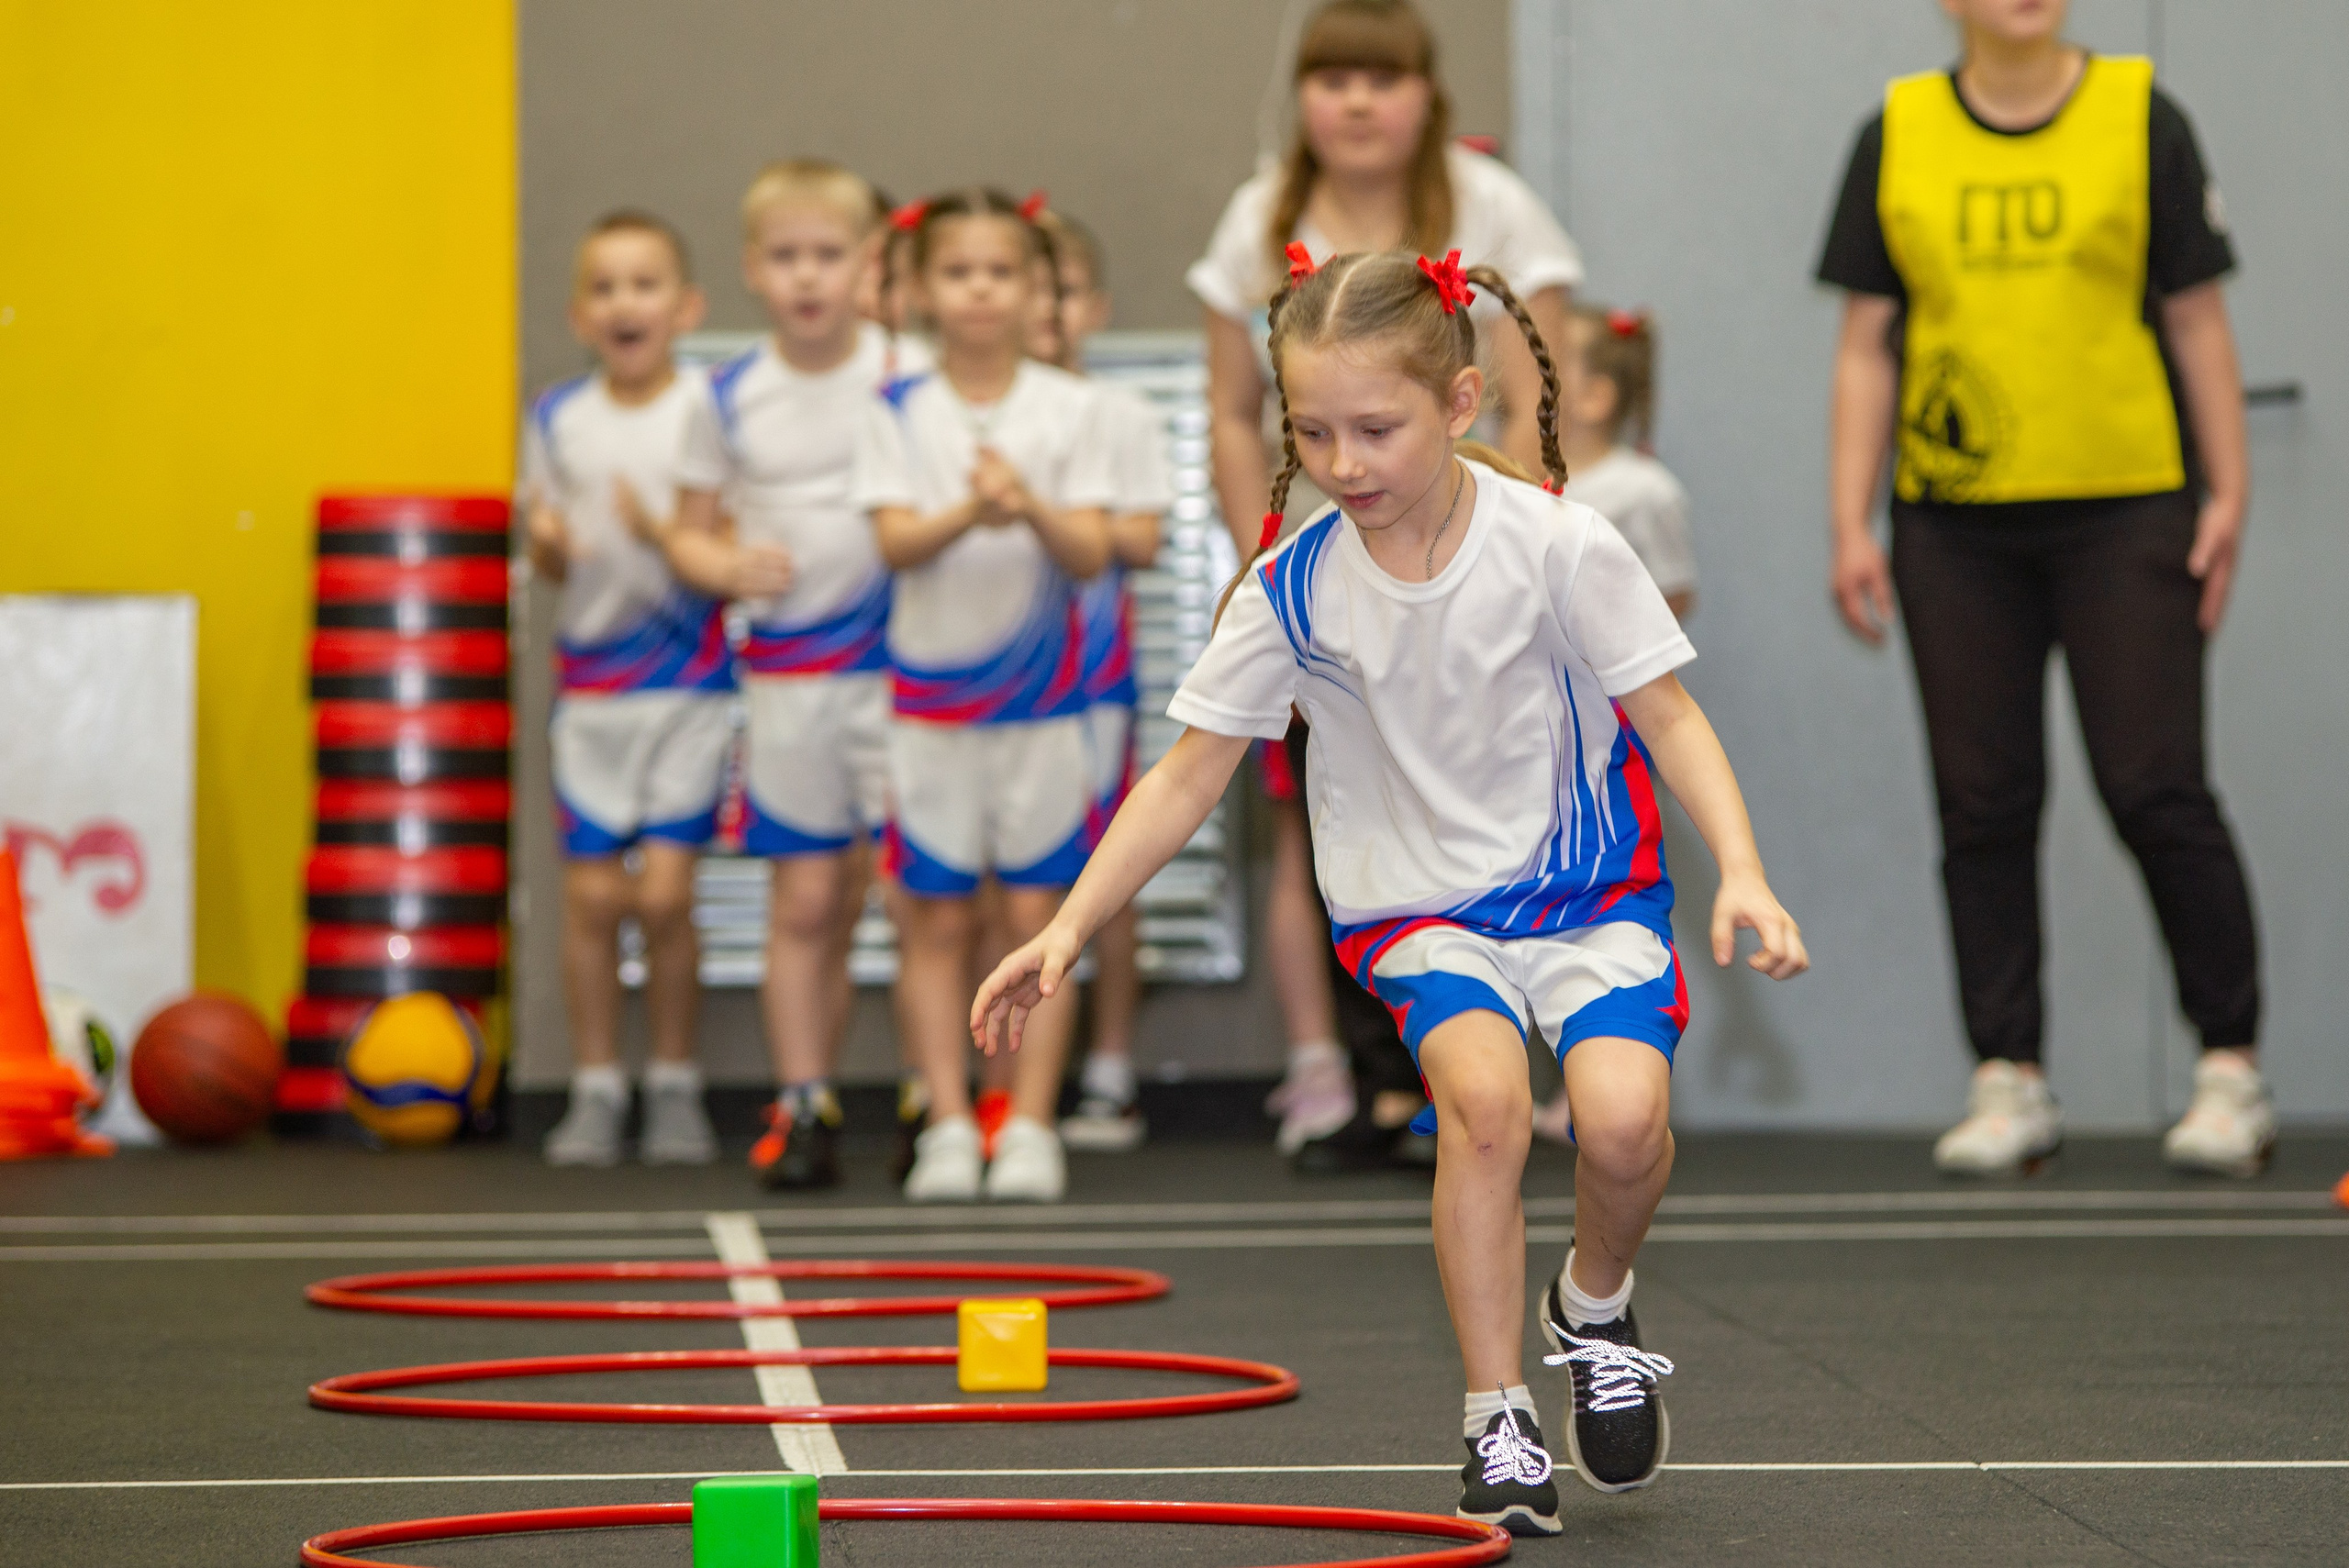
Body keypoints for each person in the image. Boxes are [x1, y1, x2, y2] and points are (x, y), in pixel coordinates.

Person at [974, 250, 1807, 1530]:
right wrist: (1070, 926)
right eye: (1312, 431)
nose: (1344, 461)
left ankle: (1590, 1305)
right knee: (1485, 1107)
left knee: (1626, 1125)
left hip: (1586, 894)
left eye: (1376, 428)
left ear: (1462, 404)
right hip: (1415, 911)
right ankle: (1498, 1416)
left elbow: (1674, 717)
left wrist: (1742, 866)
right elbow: (1186, 777)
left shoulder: (1560, 546)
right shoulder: (1294, 585)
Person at [1819, 0, 2270, 1177]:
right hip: (1951, 522)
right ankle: (2007, 1074)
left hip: (2128, 504)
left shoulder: (2139, 115)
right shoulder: (1899, 130)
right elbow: (1869, 341)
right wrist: (1848, 518)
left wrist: (2227, 488)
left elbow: (2194, 315)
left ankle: (2230, 1062)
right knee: (1981, 799)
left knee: (2155, 784)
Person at [1190, 0, 1584, 1163]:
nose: (1357, 101)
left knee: (1491, 809)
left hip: (1470, 568)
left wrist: (1513, 536)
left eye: (1382, 78)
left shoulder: (1491, 206)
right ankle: (1375, 1078)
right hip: (1332, 574)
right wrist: (1267, 556)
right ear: (1305, 99)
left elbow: (1533, 388)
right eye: (1332, 79)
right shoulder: (1259, 214)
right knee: (1343, 814)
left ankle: (1507, 1062)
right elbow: (1227, 409)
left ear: (1426, 97)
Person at [852, 188, 1116, 1203]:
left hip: (1046, 714)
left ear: (1034, 287)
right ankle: (950, 1121)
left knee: (1039, 915)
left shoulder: (1073, 409)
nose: (979, 291)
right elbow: (891, 541)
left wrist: (1029, 505)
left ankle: (1033, 1121)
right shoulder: (896, 410)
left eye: (1001, 272)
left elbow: (1092, 548)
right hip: (929, 717)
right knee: (933, 922)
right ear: (922, 290)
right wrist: (972, 507)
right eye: (958, 272)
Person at [640, 161, 895, 1190]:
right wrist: (722, 566)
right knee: (803, 898)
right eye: (786, 257)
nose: (807, 277)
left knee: (911, 899)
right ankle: (803, 1100)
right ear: (752, 269)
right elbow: (688, 537)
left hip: (902, 677)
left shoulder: (903, 368)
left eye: (827, 255)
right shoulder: (728, 391)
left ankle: (940, 1101)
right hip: (790, 682)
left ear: (867, 264)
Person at [521, 211, 731, 1168]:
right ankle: (599, 1082)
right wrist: (548, 547)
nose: (624, 303)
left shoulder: (705, 403)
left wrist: (677, 538)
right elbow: (550, 552)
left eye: (644, 284)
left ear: (684, 306)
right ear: (578, 313)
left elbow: (717, 536)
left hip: (686, 685)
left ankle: (676, 1078)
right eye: (604, 288)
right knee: (593, 900)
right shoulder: (558, 416)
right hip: (592, 695)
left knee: (666, 896)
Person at [1026, 207, 1173, 1152]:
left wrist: (1055, 520)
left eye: (1065, 291)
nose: (1046, 311)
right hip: (997, 696)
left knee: (1102, 873)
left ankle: (1109, 1067)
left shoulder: (1116, 417)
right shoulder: (976, 410)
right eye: (1031, 291)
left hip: (1090, 685)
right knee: (1006, 883)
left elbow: (1142, 536)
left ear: (1097, 306)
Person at [1532, 303, 1697, 1143]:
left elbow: (1668, 605)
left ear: (1591, 395)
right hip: (1530, 738)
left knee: (1596, 902)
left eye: (1543, 366)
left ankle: (1600, 1084)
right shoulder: (1518, 489)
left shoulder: (1638, 489)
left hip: (1605, 734)